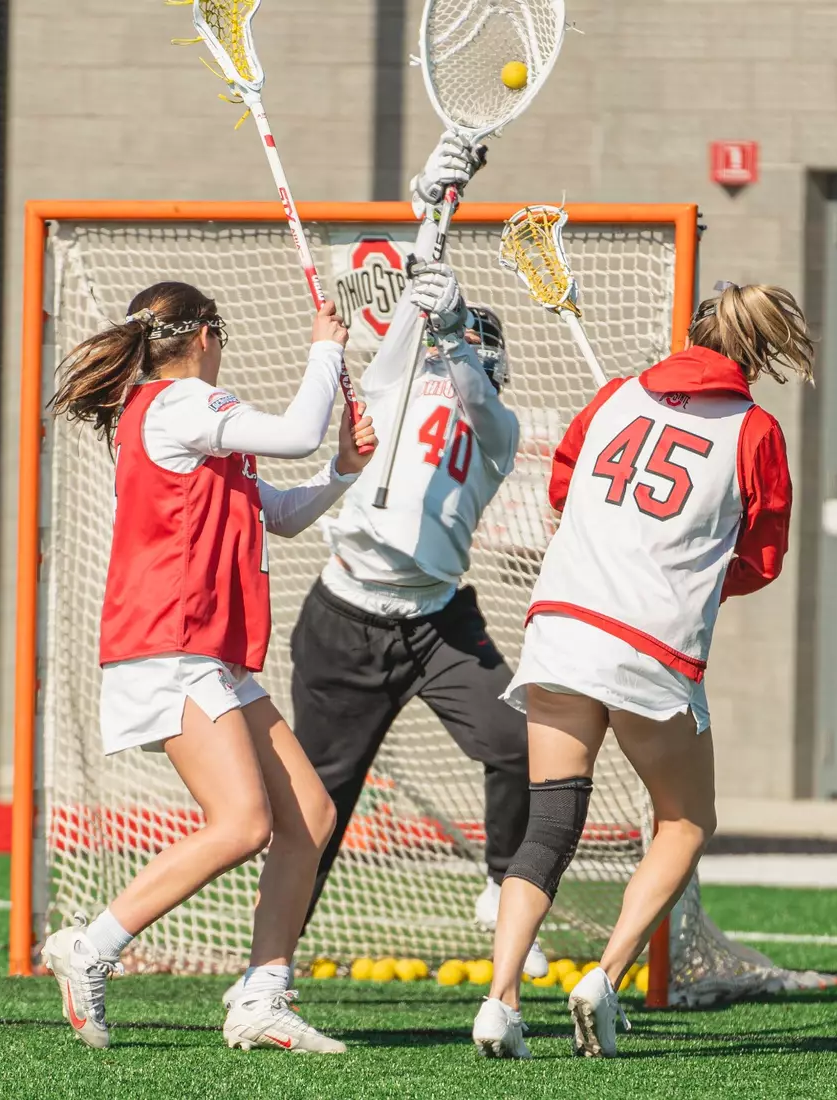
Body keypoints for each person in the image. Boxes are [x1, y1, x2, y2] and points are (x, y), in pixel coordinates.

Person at [470, 282, 815, 1059]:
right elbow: (762, 559)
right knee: (687, 821)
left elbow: (563, 491)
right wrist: (696, 572)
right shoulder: (755, 431)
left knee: (551, 822)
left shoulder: (617, 397)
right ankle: (604, 979)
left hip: (561, 626)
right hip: (651, 644)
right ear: (755, 353)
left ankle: (499, 1002)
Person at [40, 281, 376, 1055]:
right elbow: (294, 430)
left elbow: (280, 513)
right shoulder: (184, 405)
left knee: (310, 820)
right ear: (206, 335)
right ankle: (93, 946)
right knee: (243, 823)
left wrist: (346, 468)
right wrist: (327, 342)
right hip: (170, 644)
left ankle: (262, 995)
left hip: (206, 653)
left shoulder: (189, 420)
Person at [286, 133, 548, 980]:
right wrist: (434, 205)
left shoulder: (495, 423)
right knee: (320, 810)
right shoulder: (397, 375)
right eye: (459, 335)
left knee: (518, 743)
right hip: (346, 617)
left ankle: (502, 883)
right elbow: (413, 301)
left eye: (476, 340)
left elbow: (472, 388)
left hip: (437, 618)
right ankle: (269, 971)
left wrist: (460, 334)